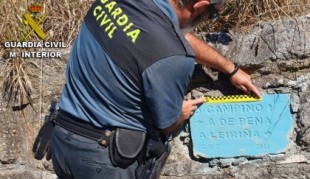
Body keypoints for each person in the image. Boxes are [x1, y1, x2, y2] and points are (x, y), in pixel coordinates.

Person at [50, 0, 261, 178]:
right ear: (200, 6)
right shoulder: (174, 58)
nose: (208, 19)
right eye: (212, 14)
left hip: (61, 139)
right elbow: (166, 124)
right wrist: (181, 113)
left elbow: (169, 36)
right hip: (103, 162)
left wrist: (230, 69)